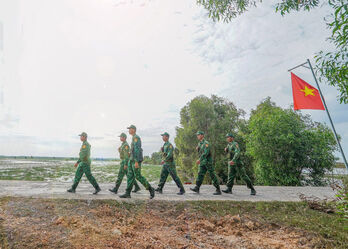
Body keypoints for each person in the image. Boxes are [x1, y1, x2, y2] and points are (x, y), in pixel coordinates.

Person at [119, 125, 155, 199]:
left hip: (135, 160)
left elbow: (137, 150)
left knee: (138, 176)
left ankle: (150, 189)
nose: (129, 130)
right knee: (130, 176)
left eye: (130, 129)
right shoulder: (133, 138)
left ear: (134, 130)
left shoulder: (136, 138)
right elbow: (133, 150)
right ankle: (127, 193)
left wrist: (136, 161)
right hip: (131, 160)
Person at [190, 131, 221, 195]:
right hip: (202, 163)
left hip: (207, 162)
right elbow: (200, 152)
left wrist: (200, 159)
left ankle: (218, 189)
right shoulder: (199, 143)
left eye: (198, 135)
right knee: (200, 175)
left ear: (202, 135)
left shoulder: (206, 143)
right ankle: (197, 188)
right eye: (197, 135)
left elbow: (206, 153)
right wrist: (198, 149)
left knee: (212, 175)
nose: (197, 136)